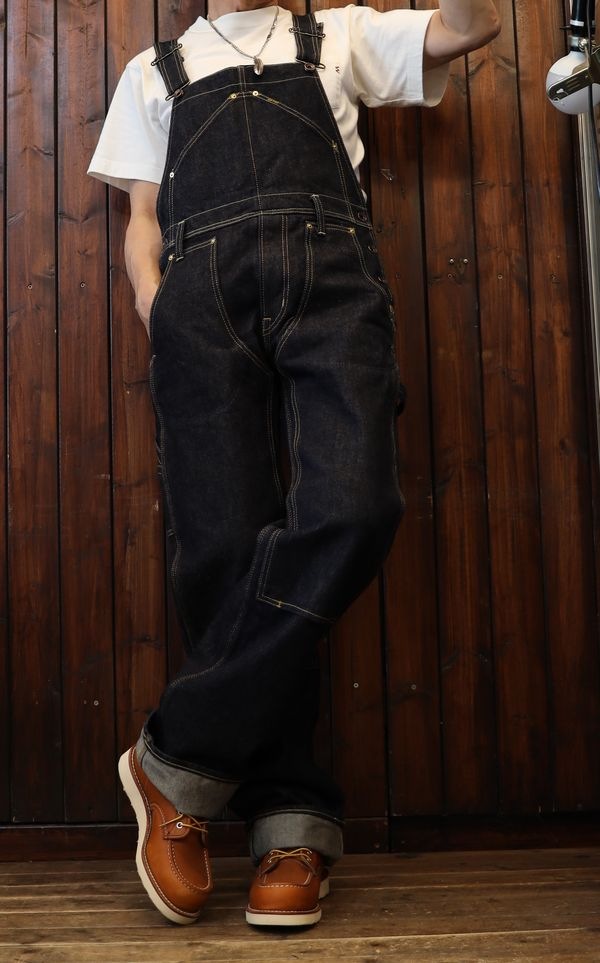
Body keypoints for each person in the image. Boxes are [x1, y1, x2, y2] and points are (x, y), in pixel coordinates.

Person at [88, 0, 500, 929]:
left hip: (333, 284)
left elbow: (469, 30)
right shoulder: (153, 70)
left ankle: (175, 761)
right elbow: (141, 216)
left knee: (356, 506)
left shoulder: (340, 34)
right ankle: (292, 823)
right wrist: (157, 305)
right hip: (199, 304)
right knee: (221, 553)